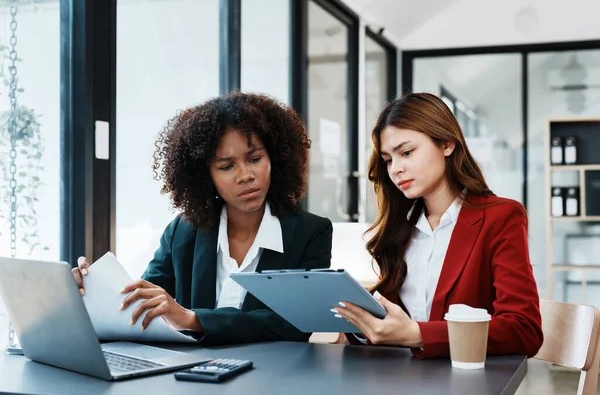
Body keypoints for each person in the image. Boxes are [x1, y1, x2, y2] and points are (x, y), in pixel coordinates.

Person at [73, 92, 333, 345]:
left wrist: (193, 319)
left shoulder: (311, 232)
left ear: (274, 159)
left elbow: (296, 324)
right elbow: (145, 306)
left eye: (255, 159)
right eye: (226, 166)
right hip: (192, 379)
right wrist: (91, 291)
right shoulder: (182, 232)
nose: (245, 175)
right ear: (205, 175)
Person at [333, 92, 543, 359]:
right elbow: (395, 328)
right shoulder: (400, 230)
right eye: (388, 160)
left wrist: (418, 334)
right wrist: (366, 327)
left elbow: (524, 330)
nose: (396, 168)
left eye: (407, 152)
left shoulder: (501, 217)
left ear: (446, 144)